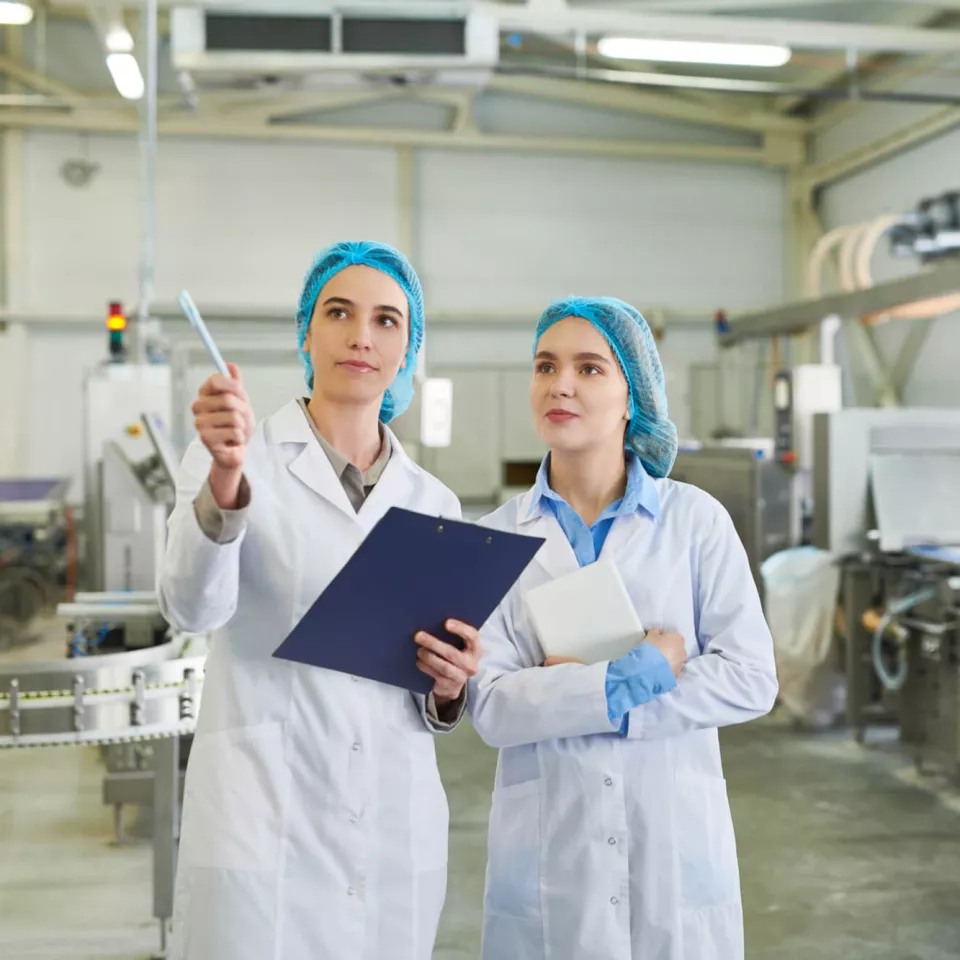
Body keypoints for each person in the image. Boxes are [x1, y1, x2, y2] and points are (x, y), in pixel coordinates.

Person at [159, 241, 483, 960]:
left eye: (387, 320)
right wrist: (226, 487)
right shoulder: (237, 458)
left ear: (410, 348)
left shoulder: (434, 501)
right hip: (263, 822)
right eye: (339, 312)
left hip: (392, 831)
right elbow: (192, 609)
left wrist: (450, 690)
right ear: (307, 332)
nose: (363, 335)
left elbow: (429, 690)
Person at [469, 297, 778, 960]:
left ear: (633, 395)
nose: (561, 384)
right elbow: (492, 707)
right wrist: (637, 676)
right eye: (546, 366)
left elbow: (751, 679)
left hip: (671, 852)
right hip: (551, 862)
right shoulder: (498, 537)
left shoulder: (695, 523)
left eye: (589, 368)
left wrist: (563, 691)